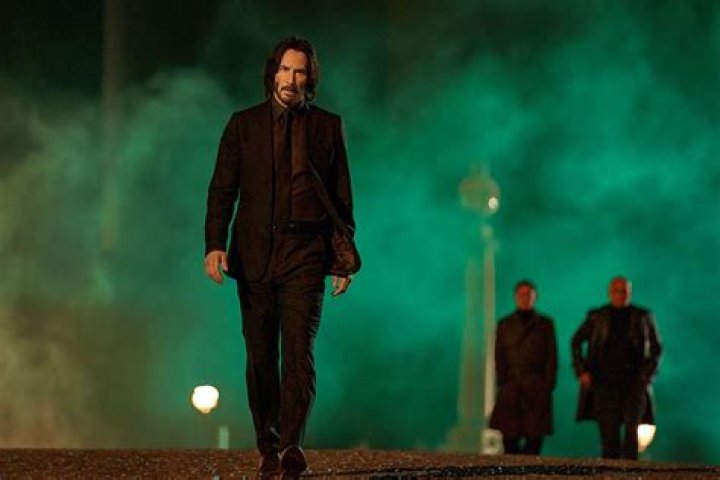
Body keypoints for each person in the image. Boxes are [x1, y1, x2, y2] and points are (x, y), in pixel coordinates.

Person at [204, 37, 357, 479]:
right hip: (254, 255)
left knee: (298, 355)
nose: (291, 79)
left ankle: (291, 445)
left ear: (310, 79)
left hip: (305, 254)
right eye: (285, 70)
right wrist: (214, 244)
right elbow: (222, 190)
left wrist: (342, 257)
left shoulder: (327, 126)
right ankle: (267, 445)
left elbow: (341, 196)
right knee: (260, 357)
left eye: (300, 71)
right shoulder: (243, 125)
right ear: (273, 73)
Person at [571, 276, 662, 460]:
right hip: (604, 383)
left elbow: (656, 348)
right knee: (609, 436)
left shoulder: (642, 316)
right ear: (610, 292)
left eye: (624, 291)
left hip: (634, 383)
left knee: (631, 435)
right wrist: (582, 371)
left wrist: (647, 374)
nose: (620, 294)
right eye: (616, 290)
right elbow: (576, 342)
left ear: (629, 293)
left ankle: (630, 471)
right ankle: (611, 471)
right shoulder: (597, 316)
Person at [489, 280, 557, 455]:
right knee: (509, 440)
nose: (525, 298)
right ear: (515, 297)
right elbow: (499, 355)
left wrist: (547, 385)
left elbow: (552, 357)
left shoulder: (545, 324)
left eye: (528, 294)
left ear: (535, 297)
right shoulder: (504, 324)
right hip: (511, 387)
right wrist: (503, 382)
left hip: (536, 387)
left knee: (534, 441)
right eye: (521, 294)